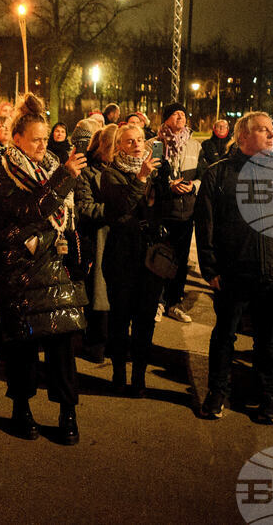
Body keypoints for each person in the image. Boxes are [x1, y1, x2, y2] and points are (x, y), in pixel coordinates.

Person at [0, 94, 88, 444]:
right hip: (19, 271)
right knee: (22, 345)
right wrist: (65, 177)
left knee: (62, 344)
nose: (43, 145)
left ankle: (67, 412)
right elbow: (29, 210)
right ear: (17, 139)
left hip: (54, 269)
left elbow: (63, 217)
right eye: (36, 139)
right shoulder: (1, 171)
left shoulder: (49, 167)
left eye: (46, 139)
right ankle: (21, 410)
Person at [196, 112, 273, 424]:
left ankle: (268, 398)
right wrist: (210, 270)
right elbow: (205, 224)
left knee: (270, 341)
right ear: (243, 137)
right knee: (225, 336)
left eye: (272, 130)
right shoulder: (218, 174)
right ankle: (216, 394)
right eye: (263, 130)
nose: (271, 135)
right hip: (233, 273)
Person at [101, 124, 164, 395]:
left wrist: (166, 188)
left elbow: (163, 210)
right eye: (130, 141)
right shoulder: (110, 174)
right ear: (119, 147)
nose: (138, 145)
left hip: (150, 259)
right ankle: (118, 373)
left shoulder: (156, 171)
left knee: (145, 320)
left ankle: (139, 375)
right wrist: (140, 179)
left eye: (140, 140)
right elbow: (122, 209)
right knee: (120, 318)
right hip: (121, 257)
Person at [151, 102, 204, 324]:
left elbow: (203, 174)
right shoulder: (156, 144)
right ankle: (158, 302)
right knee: (160, 259)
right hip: (164, 211)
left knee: (181, 261)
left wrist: (193, 186)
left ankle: (175, 302)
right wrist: (168, 185)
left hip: (186, 212)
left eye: (183, 113)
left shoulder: (195, 145)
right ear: (166, 120)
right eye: (175, 114)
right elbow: (152, 174)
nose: (180, 117)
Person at [74, 123, 117, 364]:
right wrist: (112, 210)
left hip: (117, 240)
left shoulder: (122, 170)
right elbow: (84, 207)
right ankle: (95, 342)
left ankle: (113, 341)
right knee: (97, 292)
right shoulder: (88, 172)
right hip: (96, 240)